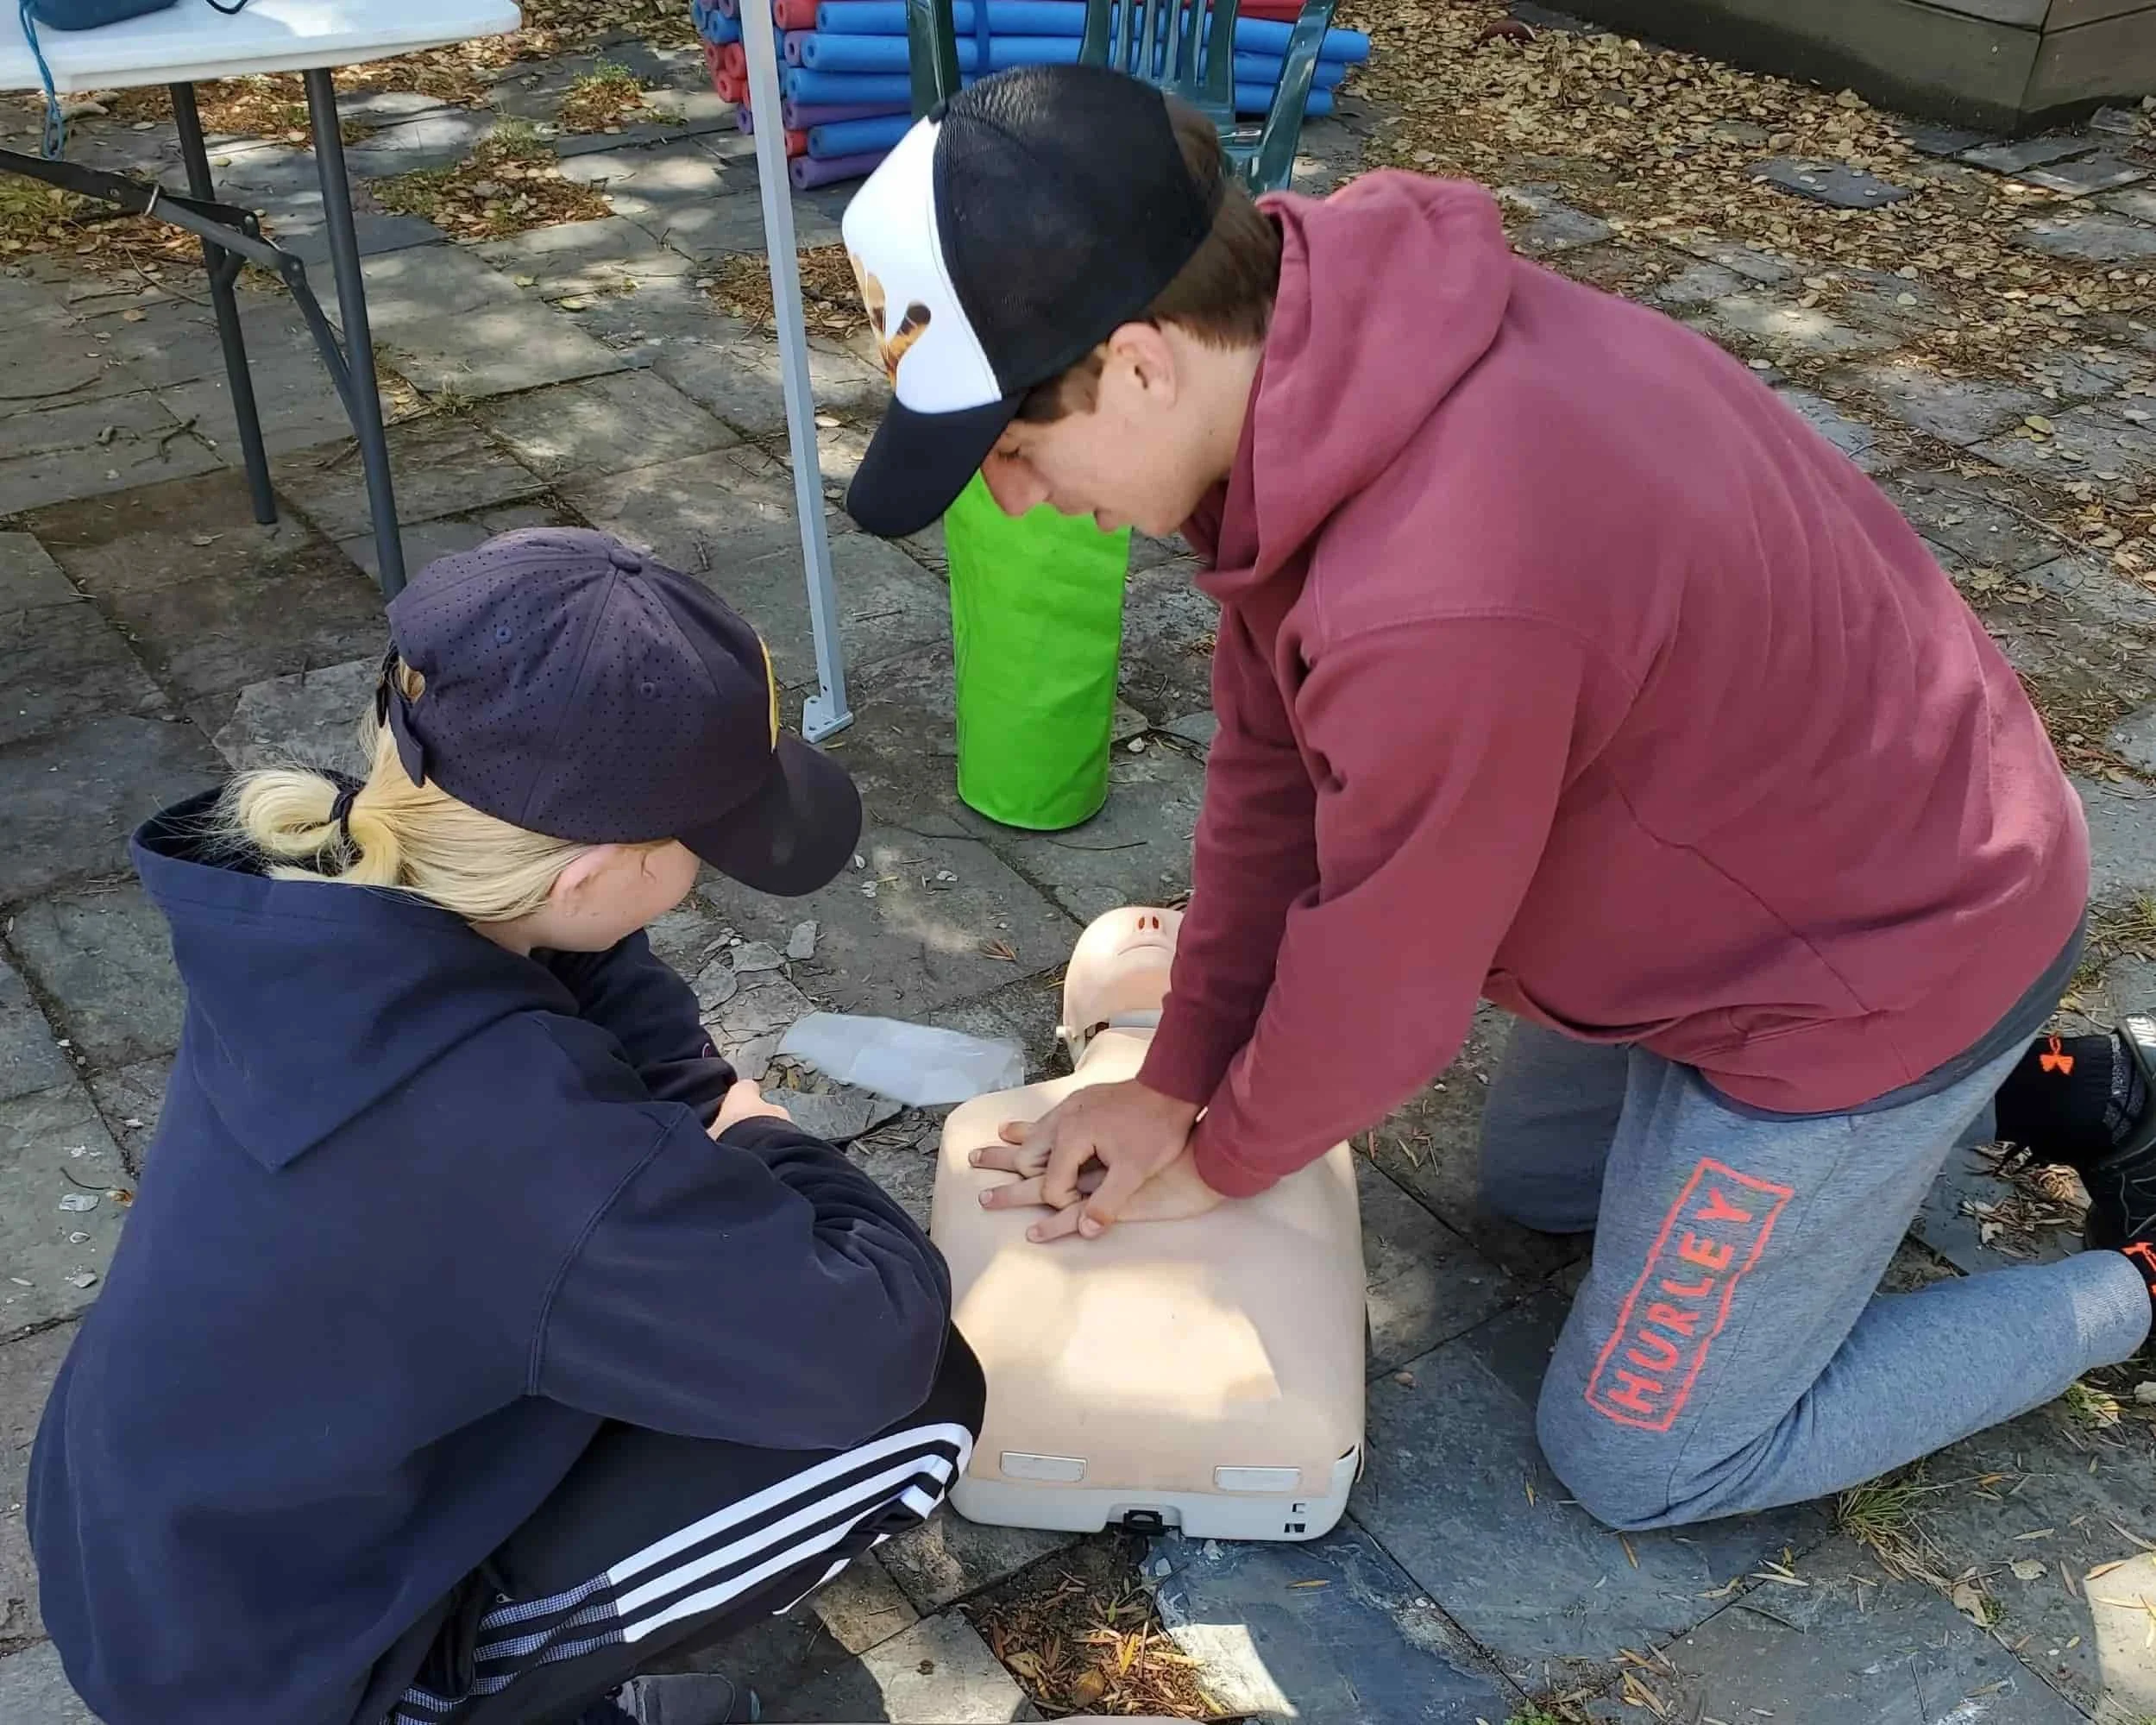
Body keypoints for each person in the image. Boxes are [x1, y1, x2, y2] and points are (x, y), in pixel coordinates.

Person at [833, 63, 2156, 1531]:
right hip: (1807, 856)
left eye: (1014, 449)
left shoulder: (1437, 597)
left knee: (1643, 1459)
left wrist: (1215, 1161)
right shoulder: (1317, 339)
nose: (1013, 498)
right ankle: (2061, 1085)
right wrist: (1174, 1071)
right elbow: (1275, 785)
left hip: (1882, 957)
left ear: (1141, 361)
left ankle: (2125, 1288)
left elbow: (1390, 973)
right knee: (1533, 1190)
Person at [28, 528, 984, 1725]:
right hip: (279, 1679)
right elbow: (870, 1342)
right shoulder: (515, 1137)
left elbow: (622, 997)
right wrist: (756, 1129)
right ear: (585, 875)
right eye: (698, 844)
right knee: (922, 1403)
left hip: (165, 1559)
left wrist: (699, 1092)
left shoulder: (331, 894)